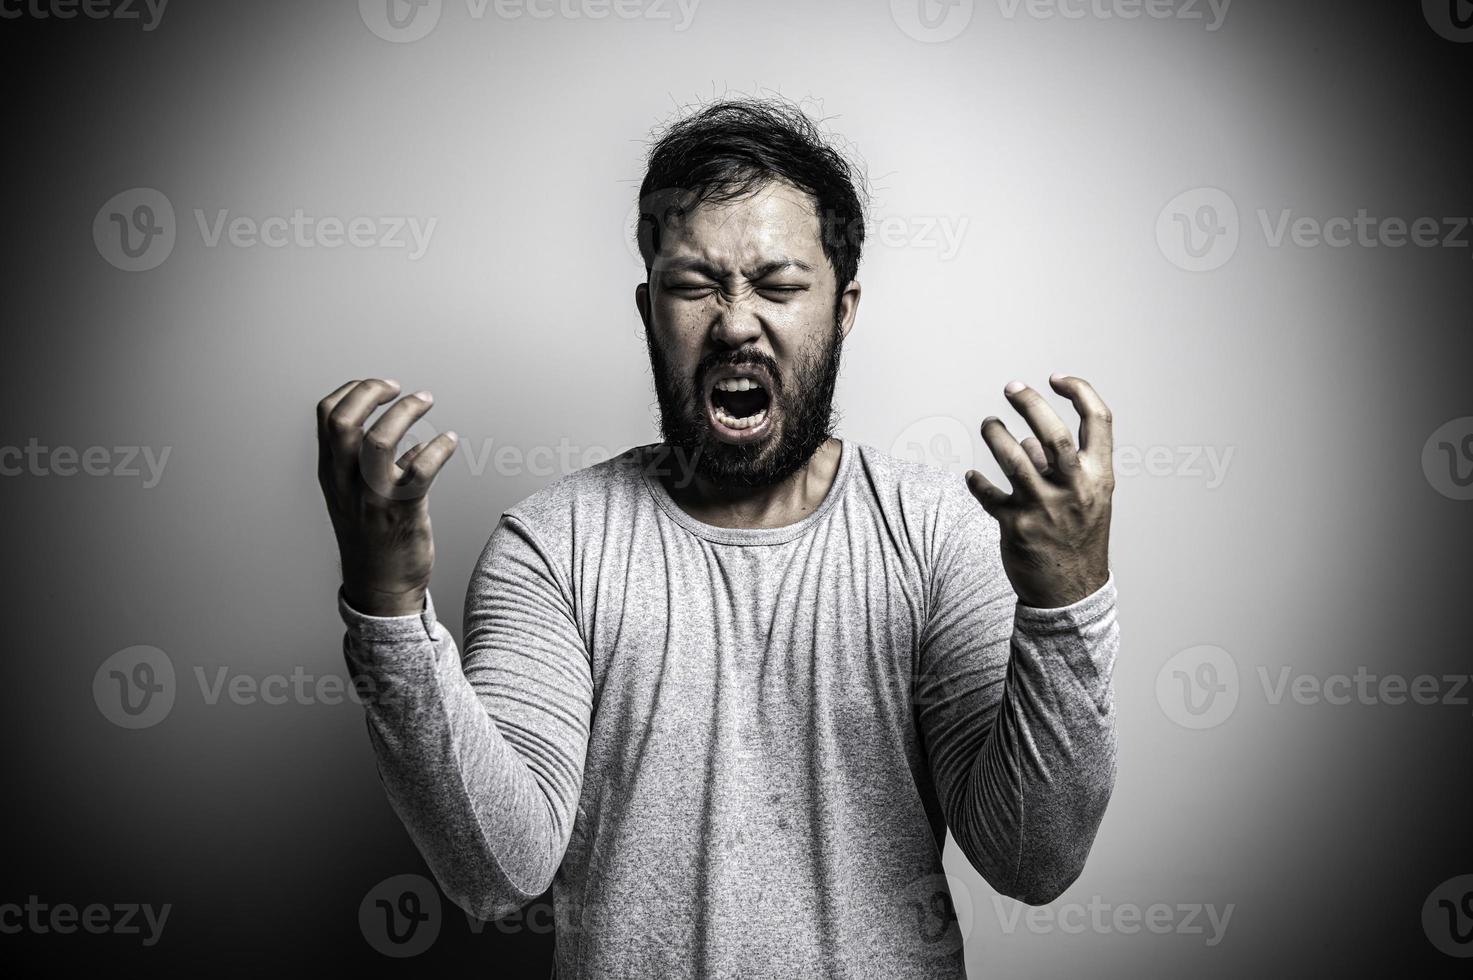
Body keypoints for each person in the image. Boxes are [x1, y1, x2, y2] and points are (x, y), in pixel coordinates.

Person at [316, 98, 1120, 979]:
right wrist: (387, 610)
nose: (736, 322)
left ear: (842, 309)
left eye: (778, 286)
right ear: (647, 308)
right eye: (695, 287)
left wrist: (1064, 600)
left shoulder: (934, 535)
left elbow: (1031, 861)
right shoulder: (551, 545)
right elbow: (498, 872)